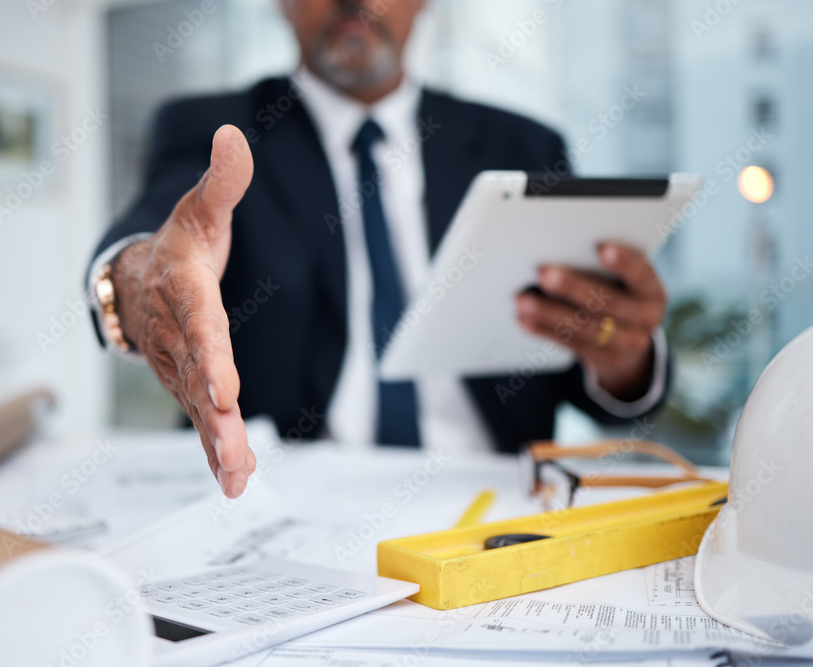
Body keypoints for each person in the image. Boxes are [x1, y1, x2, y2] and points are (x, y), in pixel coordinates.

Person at [87, 0, 670, 498]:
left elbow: (585, 365)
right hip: (276, 501)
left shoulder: (524, 145)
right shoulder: (213, 130)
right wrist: (139, 281)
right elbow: (156, 239)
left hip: (494, 506)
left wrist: (622, 359)